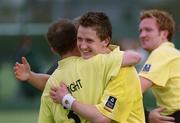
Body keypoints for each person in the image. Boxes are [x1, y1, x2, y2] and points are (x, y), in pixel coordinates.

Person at [14, 12, 145, 123]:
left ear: (105, 41)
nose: (82, 46)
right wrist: (31, 76)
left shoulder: (120, 68)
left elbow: (103, 117)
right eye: (79, 39)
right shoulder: (86, 66)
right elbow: (52, 83)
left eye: (89, 40)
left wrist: (67, 99)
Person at [139, 9, 180, 123]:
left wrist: (146, 116)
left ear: (164, 34)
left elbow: (134, 89)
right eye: (140, 30)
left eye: (148, 30)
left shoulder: (162, 52)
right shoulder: (172, 52)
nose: (142, 35)